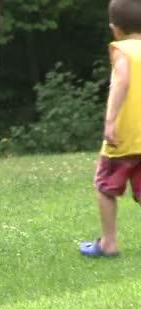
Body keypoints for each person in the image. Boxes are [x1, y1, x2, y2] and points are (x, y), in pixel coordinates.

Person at [80, 0, 141, 257]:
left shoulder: (121, 49)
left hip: (123, 135)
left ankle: (108, 243)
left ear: (114, 29)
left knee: (105, 186)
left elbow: (122, 82)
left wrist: (109, 121)